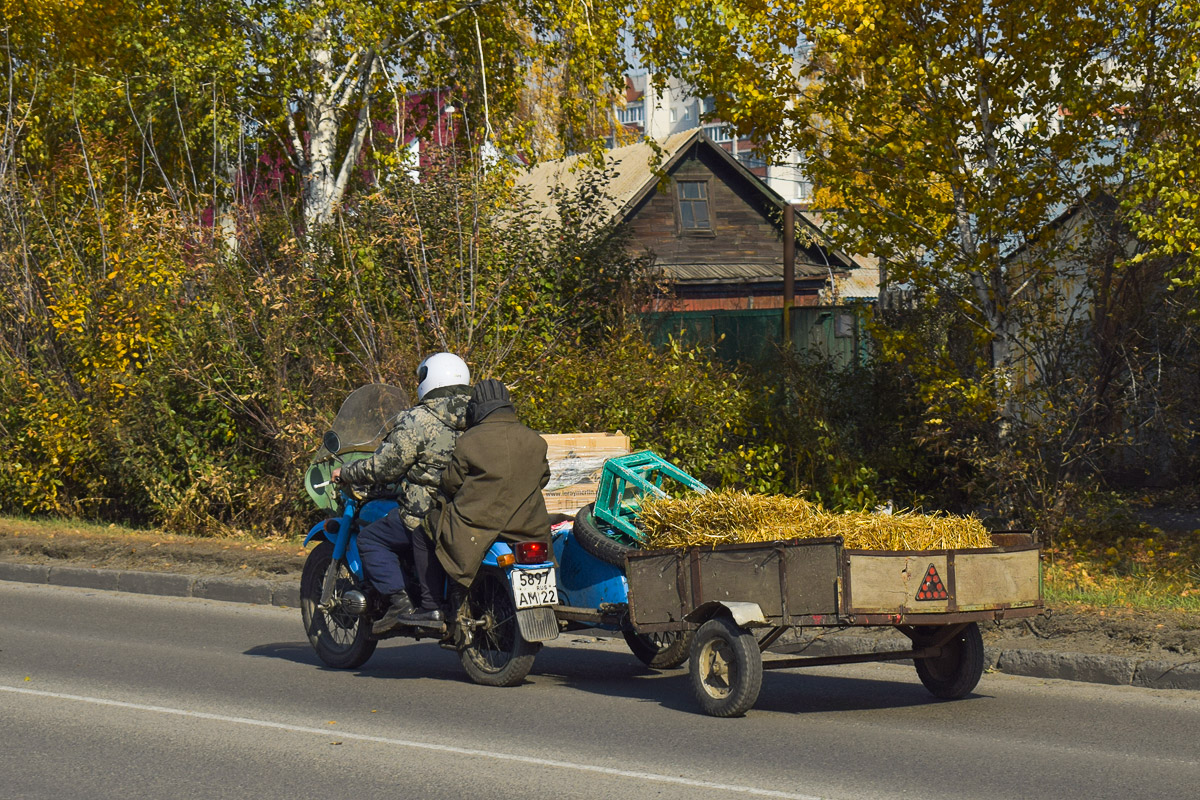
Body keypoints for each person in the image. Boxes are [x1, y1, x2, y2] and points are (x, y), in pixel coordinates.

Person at [333, 353, 471, 634]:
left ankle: (399, 604)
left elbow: (384, 467)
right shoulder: (477, 415)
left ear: (430, 380)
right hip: (466, 508)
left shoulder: (420, 419)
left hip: (426, 510)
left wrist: (347, 472)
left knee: (372, 538)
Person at [433, 379, 553, 599]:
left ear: (476, 408)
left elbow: (450, 484)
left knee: (428, 526)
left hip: (477, 528)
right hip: (529, 527)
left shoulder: (467, 442)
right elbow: (543, 478)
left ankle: (440, 600)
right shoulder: (536, 440)